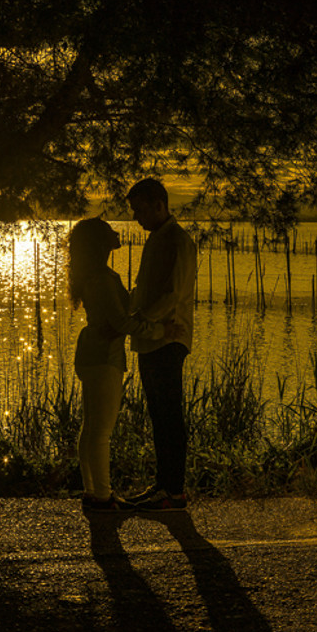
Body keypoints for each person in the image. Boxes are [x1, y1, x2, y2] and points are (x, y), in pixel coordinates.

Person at [68, 217, 182, 513]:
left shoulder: (98, 275)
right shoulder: (102, 278)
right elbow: (120, 321)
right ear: (99, 242)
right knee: (101, 431)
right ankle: (104, 498)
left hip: (92, 353)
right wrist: (161, 331)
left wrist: (144, 298)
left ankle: (92, 491)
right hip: (104, 357)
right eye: (108, 230)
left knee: (90, 427)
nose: (115, 232)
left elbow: (120, 311)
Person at [126, 178, 197, 511]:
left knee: (169, 415)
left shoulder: (178, 241)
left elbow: (174, 294)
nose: (136, 218)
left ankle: (174, 490)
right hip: (151, 338)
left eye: (140, 210)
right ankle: (165, 486)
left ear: (159, 204)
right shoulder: (157, 239)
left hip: (168, 338)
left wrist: (139, 319)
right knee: (158, 414)